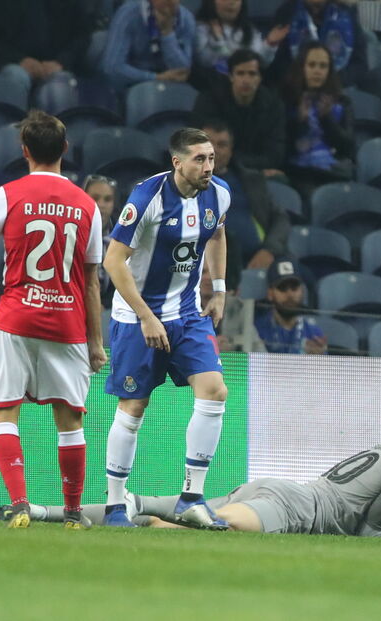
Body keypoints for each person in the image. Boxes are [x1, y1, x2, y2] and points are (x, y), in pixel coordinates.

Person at [0, 111, 106, 529]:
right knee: (70, 420)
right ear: (65, 150)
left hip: (16, 320)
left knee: (3, 412)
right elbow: (91, 283)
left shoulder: (7, 195)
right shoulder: (88, 205)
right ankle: (72, 512)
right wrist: (96, 342)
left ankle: (20, 504)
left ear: (25, 151)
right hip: (67, 324)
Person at [12, 410, 381, 538]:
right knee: (217, 527)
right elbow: (368, 534)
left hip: (273, 487)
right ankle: (167, 521)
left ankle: (42, 510)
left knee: (138, 502)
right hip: (295, 508)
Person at [101, 128, 232, 530]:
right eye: (199, 159)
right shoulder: (147, 199)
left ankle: (191, 497)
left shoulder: (220, 194)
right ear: (177, 162)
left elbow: (218, 234)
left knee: (214, 391)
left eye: (210, 157)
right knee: (134, 408)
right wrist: (145, 315)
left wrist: (220, 287)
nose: (208, 166)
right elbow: (113, 262)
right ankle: (114, 505)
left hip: (188, 314)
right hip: (136, 316)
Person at [200, 120, 290, 270]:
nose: (214, 150)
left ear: (231, 151)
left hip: (258, 259)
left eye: (222, 145)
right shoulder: (180, 183)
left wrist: (268, 250)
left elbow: (280, 218)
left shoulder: (251, 180)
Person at [189, 49, 287, 176]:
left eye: (252, 74)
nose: (246, 80)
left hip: (252, 170)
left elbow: (275, 154)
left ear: (260, 78)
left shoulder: (273, 106)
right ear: (231, 76)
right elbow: (196, 142)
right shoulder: (210, 100)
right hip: (212, 167)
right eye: (240, 73)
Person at [282, 40, 356, 198]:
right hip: (298, 173)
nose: (317, 71)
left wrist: (326, 119)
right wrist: (299, 121)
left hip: (332, 171)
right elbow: (281, 146)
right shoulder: (286, 99)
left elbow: (348, 147)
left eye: (323, 66)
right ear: (302, 67)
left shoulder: (342, 102)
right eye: (312, 65)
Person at [0, 0, 91, 95]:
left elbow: (82, 36)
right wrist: (20, 60)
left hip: (55, 65)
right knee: (16, 77)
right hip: (13, 64)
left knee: (61, 84)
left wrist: (61, 62)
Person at [267, 0, 369, 87]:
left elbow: (360, 65)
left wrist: (333, 80)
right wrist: (303, 79)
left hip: (339, 87)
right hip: (297, 88)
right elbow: (278, 63)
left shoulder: (346, 14)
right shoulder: (287, 12)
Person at [101, 0, 196, 90]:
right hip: (131, 86)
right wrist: (155, 77)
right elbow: (113, 68)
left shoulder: (186, 19)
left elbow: (182, 71)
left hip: (170, 87)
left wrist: (167, 32)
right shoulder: (128, 14)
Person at [194, 0, 289, 76]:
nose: (232, 2)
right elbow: (207, 62)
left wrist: (269, 44)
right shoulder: (200, 29)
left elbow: (258, 64)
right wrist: (219, 42)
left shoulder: (249, 31)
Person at [254, 257, 327, 354]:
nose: (290, 294)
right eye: (282, 288)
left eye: (294, 287)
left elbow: (323, 368)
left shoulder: (313, 334)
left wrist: (317, 360)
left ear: (302, 291)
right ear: (270, 294)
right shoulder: (257, 331)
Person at [83, 174, 119, 308]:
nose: (101, 205)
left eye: (108, 199)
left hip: (110, 309)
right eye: (95, 198)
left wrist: (106, 304)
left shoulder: (122, 235)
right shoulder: (71, 231)